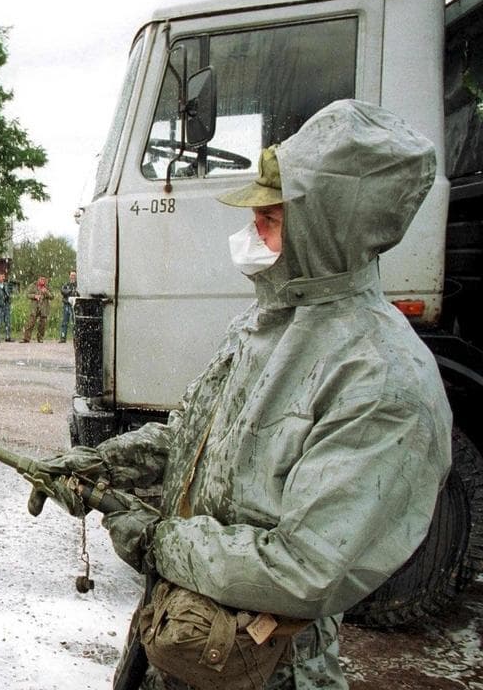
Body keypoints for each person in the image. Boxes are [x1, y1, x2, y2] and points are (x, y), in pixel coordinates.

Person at [28, 100, 452, 689]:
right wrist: (101, 466)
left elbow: (305, 567)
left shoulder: (383, 380)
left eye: (271, 218)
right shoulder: (262, 325)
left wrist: (156, 540)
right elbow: (190, 441)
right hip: (181, 647)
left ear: (330, 228)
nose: (252, 232)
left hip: (267, 671)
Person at [20, 276, 54, 343]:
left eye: (44, 279)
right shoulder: (33, 285)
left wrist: (46, 292)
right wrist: (35, 296)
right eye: (41, 279)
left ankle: (40, 338)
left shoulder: (48, 286)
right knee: (30, 323)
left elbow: (52, 296)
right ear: (38, 279)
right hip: (34, 307)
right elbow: (27, 294)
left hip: (44, 308)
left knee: (42, 324)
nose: (43, 280)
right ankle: (26, 338)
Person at [58, 271, 77, 343]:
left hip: (75, 305)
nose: (73, 276)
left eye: (74, 275)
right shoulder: (66, 284)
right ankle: (63, 337)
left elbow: (78, 293)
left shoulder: (78, 285)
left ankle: (76, 338)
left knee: (75, 322)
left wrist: (71, 292)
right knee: (64, 322)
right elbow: (63, 291)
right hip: (66, 305)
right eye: (72, 275)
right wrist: (71, 291)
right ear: (69, 276)